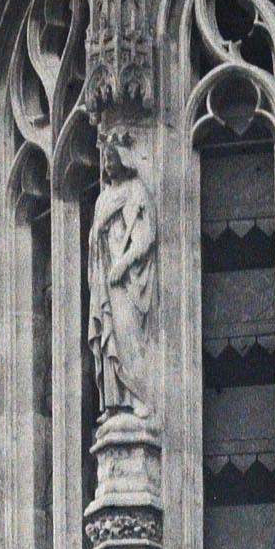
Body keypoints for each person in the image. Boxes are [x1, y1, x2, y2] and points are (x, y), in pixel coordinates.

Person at [87, 131, 157, 421]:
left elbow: (144, 238)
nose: (106, 162)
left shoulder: (136, 191)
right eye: (104, 157)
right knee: (109, 334)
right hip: (106, 278)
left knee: (128, 337)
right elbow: (95, 238)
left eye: (111, 156)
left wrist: (124, 264)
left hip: (127, 280)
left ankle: (138, 396)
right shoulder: (103, 199)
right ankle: (115, 403)